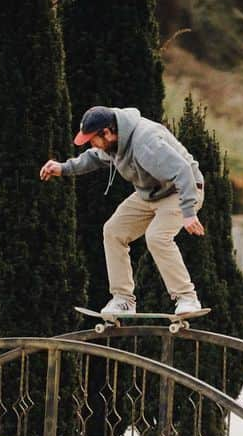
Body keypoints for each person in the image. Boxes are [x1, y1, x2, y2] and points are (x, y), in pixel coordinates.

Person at [40, 106, 205, 315]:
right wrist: (63, 168)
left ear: (107, 132)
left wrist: (189, 212)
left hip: (182, 190)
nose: (92, 144)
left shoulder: (146, 142)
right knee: (113, 231)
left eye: (93, 139)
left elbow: (183, 171)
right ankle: (123, 300)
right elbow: (94, 157)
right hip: (151, 194)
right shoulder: (115, 143)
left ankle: (187, 298)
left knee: (157, 237)